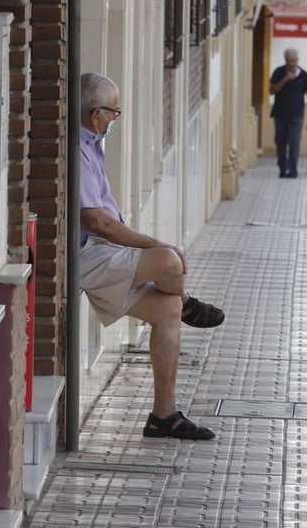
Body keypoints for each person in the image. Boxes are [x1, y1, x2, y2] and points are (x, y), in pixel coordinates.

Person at [77, 72, 225, 440]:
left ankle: (164, 416)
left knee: (167, 310)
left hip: (103, 251)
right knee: (170, 262)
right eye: (114, 112)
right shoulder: (78, 151)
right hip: (88, 254)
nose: (115, 119)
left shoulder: (92, 144)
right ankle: (188, 300)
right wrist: (156, 246)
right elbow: (97, 221)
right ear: (96, 114)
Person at [268, 48, 307, 178]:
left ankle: (293, 170)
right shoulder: (278, 72)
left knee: (294, 141)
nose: (292, 64)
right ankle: (283, 168)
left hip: (297, 115)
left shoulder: (304, 75)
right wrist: (285, 80)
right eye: (289, 62)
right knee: (280, 142)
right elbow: (271, 90)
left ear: (297, 60)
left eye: (294, 61)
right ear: (285, 61)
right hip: (280, 114)